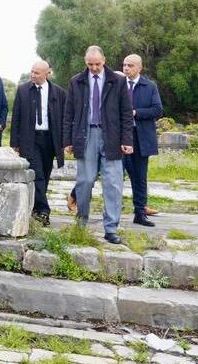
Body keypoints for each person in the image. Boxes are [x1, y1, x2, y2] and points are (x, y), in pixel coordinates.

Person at [63, 45, 133, 245]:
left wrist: (127, 140)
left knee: (112, 184)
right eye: (90, 64)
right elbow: (68, 114)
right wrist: (67, 140)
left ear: (104, 60)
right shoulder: (76, 82)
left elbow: (127, 114)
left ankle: (111, 229)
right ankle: (81, 223)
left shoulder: (118, 81)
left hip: (112, 136)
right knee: (84, 182)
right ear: (85, 62)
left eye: (97, 64)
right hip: (85, 136)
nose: (94, 68)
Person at [10, 59, 66, 227]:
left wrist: (65, 142)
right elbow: (16, 118)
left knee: (45, 175)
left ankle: (35, 208)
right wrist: (15, 142)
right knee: (38, 174)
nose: (32, 75)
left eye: (36, 73)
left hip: (50, 139)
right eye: (32, 71)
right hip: (30, 139)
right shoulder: (23, 91)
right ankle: (43, 211)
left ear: (47, 74)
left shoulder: (59, 93)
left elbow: (65, 118)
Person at [121, 54, 163, 227]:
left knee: (140, 177)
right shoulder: (117, 84)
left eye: (130, 65)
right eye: (124, 65)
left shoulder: (149, 86)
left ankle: (140, 213)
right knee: (114, 174)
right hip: (120, 137)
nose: (126, 68)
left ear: (139, 68)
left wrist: (136, 113)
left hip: (141, 137)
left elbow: (157, 110)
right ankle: (112, 212)